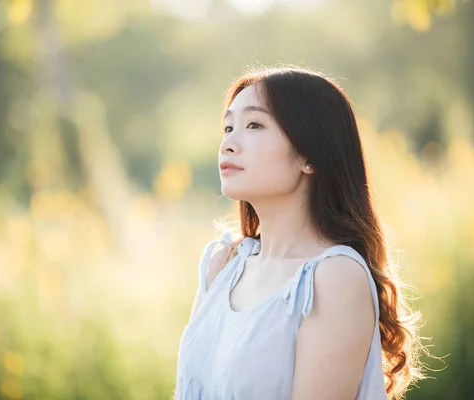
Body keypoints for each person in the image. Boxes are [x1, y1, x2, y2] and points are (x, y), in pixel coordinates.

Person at [174, 67, 424, 400]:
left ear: (309, 155)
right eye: (228, 127)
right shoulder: (222, 265)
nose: (228, 144)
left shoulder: (334, 278)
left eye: (254, 125)